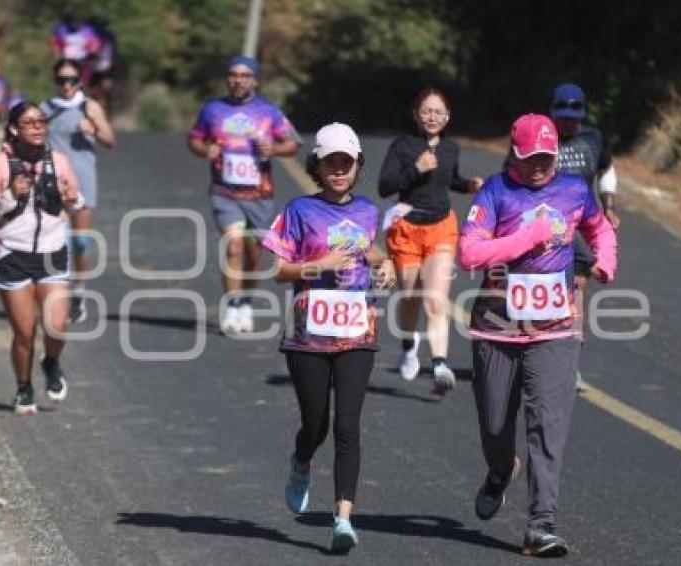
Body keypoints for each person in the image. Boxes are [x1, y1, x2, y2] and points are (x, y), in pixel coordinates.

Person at [458, 114, 617, 556]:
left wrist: (605, 259)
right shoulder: (495, 192)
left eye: (547, 158)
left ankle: (540, 524)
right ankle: (498, 471)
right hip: (498, 325)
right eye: (532, 159)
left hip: (555, 328)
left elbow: (599, 227)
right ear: (515, 154)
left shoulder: (573, 190)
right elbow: (468, 252)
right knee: (495, 424)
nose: (541, 166)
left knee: (548, 425)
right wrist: (527, 237)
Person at [262, 123, 395, 554]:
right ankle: (301, 463)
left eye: (346, 162)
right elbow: (279, 269)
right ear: (317, 165)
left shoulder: (368, 212)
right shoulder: (299, 209)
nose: (338, 170)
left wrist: (385, 263)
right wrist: (318, 265)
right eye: (330, 162)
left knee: (347, 425)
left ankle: (343, 520)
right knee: (315, 425)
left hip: (357, 329)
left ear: (357, 166)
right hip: (309, 334)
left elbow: (367, 249)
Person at [0, 102, 84, 414]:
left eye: (40, 121)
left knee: (57, 325)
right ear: (14, 129)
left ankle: (50, 362)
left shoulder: (58, 162)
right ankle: (23, 387)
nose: (37, 127)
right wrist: (9, 195)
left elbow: (76, 200)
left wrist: (73, 200)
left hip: (51, 252)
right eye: (28, 122)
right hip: (12, 254)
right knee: (24, 332)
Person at [378, 88, 483, 393]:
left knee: (435, 300)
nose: (432, 117)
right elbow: (385, 186)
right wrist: (416, 169)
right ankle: (409, 346)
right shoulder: (403, 146)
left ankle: (439, 364)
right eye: (426, 111)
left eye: (439, 112)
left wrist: (469, 185)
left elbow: (450, 179)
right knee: (410, 298)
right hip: (407, 229)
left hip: (441, 227)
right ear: (416, 114)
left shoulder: (451, 148)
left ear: (448, 117)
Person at [188, 55, 299, 335]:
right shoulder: (212, 109)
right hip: (225, 192)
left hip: (259, 195)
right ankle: (232, 305)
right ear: (227, 79)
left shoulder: (269, 112)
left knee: (253, 252)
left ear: (255, 80)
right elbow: (194, 138)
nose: (238, 80)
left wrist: (272, 148)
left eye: (244, 75)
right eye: (233, 75)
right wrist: (205, 150)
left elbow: (293, 144)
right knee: (233, 246)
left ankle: (246, 302)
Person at [549, 83, 620, 391]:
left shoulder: (593, 138)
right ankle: (534, 356)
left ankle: (569, 365)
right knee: (546, 291)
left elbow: (605, 170)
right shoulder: (540, 135)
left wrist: (609, 207)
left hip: (580, 223)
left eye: (572, 116)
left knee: (575, 290)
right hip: (544, 226)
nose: (567, 122)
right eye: (562, 116)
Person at [41, 59, 116, 323]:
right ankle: (57, 293)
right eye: (62, 80)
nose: (67, 85)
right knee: (56, 241)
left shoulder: (89, 106)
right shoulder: (45, 109)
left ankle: (79, 293)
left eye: (72, 80)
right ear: (55, 82)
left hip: (84, 182)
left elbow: (110, 141)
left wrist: (93, 127)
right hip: (54, 183)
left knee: (80, 242)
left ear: (79, 81)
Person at [50, 11, 101, 86]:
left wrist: (92, 53)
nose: (75, 24)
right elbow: (55, 42)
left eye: (77, 22)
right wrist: (58, 52)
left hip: (83, 59)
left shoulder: (88, 30)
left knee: (86, 74)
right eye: (73, 22)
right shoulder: (62, 30)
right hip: (67, 59)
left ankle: (82, 86)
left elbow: (95, 44)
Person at [87, 15, 116, 113]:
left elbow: (111, 51)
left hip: (105, 65)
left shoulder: (108, 36)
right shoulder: (98, 36)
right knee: (95, 92)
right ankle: (96, 111)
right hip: (97, 66)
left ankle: (106, 112)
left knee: (105, 90)